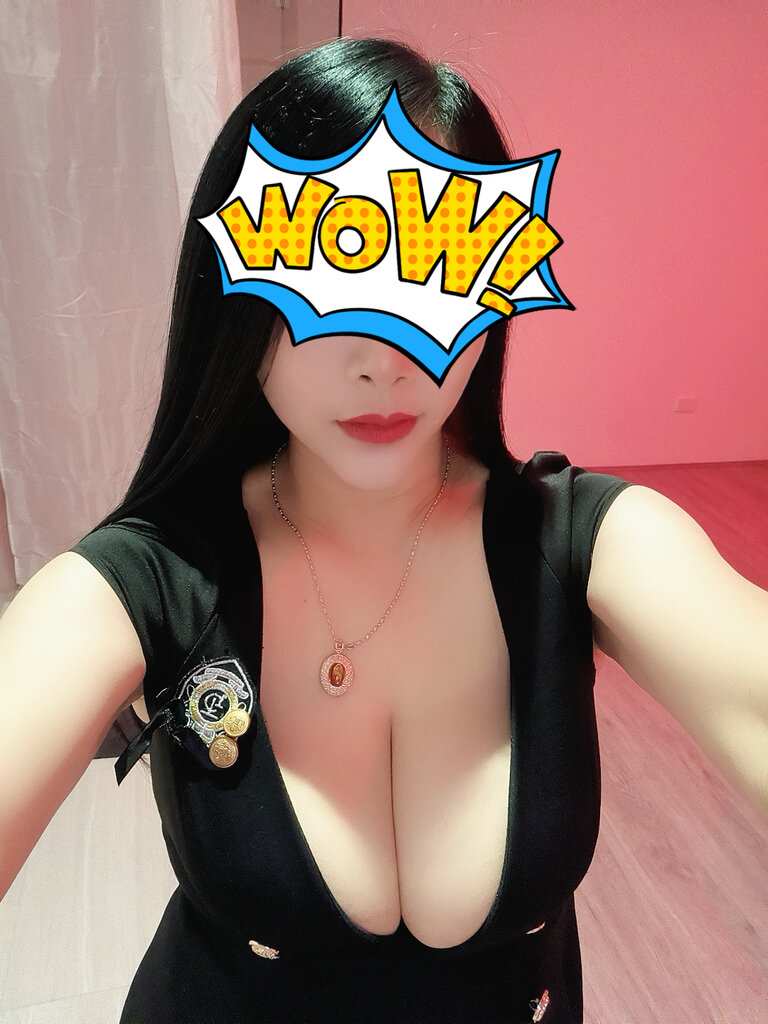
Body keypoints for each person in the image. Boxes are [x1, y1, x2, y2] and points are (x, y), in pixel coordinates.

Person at [0, 36, 766, 1024]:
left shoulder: (593, 543)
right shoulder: (143, 582)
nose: (383, 359)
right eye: (329, 273)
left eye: (438, 274)